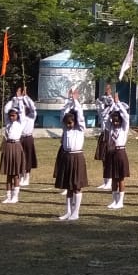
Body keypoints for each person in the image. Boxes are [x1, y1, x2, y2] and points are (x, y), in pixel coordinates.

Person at [54, 90, 89, 221]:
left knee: (76, 186)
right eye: (67, 123)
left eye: (70, 123)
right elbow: (63, 113)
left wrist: (75, 101)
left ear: (74, 122)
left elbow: (80, 115)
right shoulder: (65, 128)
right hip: (67, 157)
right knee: (68, 186)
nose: (68, 125)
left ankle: (76, 212)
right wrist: (69, 101)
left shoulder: (80, 129)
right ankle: (68, 211)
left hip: (77, 157)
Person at [103, 93, 131, 209]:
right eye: (114, 121)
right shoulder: (111, 127)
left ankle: (120, 201)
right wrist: (112, 108)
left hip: (120, 152)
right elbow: (105, 118)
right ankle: (114, 200)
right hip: (112, 152)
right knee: (113, 178)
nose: (115, 123)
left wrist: (118, 103)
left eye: (117, 121)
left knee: (120, 178)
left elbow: (126, 117)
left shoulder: (124, 128)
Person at [0, 97, 27, 203]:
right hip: (8, 147)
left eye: (13, 115)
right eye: (10, 116)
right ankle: (8, 196)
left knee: (15, 173)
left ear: (17, 116)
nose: (11, 117)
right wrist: (12, 100)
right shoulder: (8, 123)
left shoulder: (20, 123)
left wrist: (19, 100)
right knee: (8, 174)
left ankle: (15, 196)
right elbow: (5, 110)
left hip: (16, 146)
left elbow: (22, 113)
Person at [11, 87, 37, 187]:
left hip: (28, 138)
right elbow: (15, 108)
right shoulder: (20, 118)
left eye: (26, 107)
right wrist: (18, 98)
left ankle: (27, 177)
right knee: (20, 158)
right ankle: (21, 176)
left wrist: (25, 96)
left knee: (28, 158)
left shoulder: (32, 116)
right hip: (20, 138)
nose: (25, 108)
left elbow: (32, 106)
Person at [93, 84, 116, 190]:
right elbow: (98, 104)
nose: (106, 91)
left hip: (109, 135)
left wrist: (110, 97)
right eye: (106, 90)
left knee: (109, 159)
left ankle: (109, 181)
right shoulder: (102, 110)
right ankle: (105, 180)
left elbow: (112, 104)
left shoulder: (111, 110)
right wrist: (102, 98)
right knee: (103, 158)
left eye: (108, 90)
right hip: (103, 135)